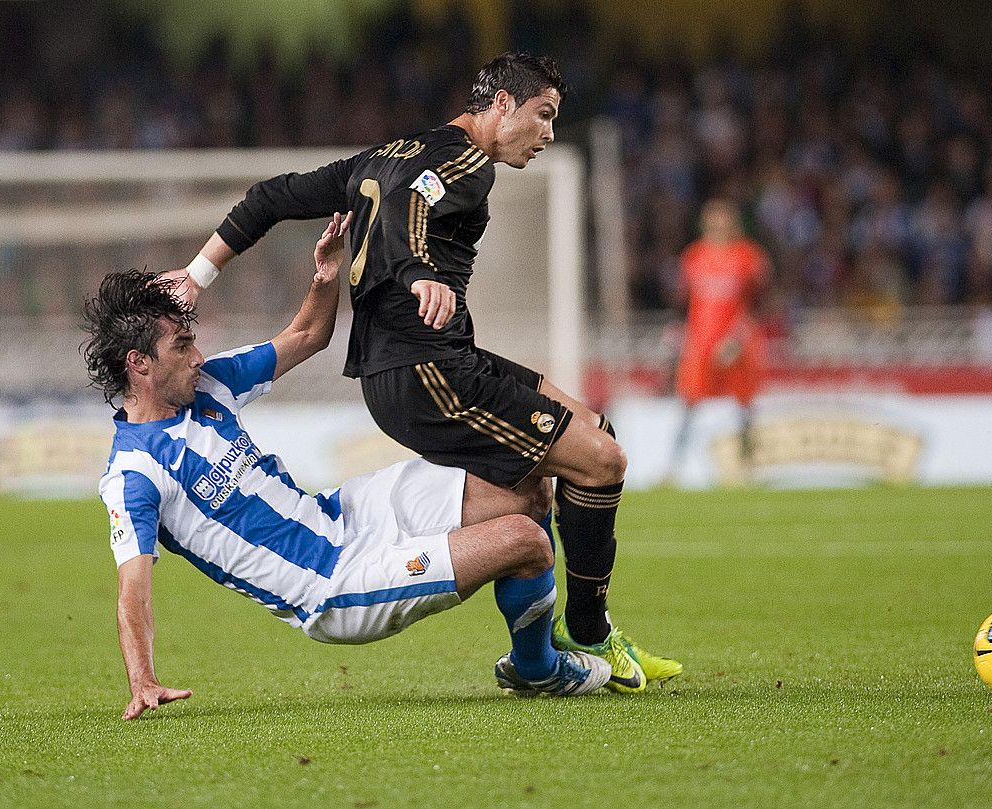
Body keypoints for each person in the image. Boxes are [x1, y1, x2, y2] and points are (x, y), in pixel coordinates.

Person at [172, 53, 679, 692]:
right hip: (426, 372)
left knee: (568, 452)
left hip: (431, 365)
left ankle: (539, 659)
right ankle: (590, 630)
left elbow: (269, 197)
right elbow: (405, 215)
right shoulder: (464, 163)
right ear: (501, 103)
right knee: (601, 462)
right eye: (544, 115)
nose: (548, 134)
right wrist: (417, 273)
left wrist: (196, 275)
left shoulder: (379, 159)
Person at [86, 213, 612, 721]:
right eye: (182, 346)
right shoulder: (134, 473)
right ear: (139, 364)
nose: (199, 355)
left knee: (527, 478)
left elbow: (307, 336)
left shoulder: (210, 384)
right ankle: (537, 667)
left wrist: (326, 275)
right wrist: (143, 680)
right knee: (527, 541)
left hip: (346, 513)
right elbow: (132, 591)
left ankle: (541, 639)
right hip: (333, 585)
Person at [667, 198, 770, 482]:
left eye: (722, 220)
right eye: (712, 220)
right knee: (689, 404)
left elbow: (759, 304)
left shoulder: (749, 256)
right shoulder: (693, 257)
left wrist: (737, 337)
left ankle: (749, 467)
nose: (717, 226)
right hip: (701, 343)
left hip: (736, 344)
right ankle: (674, 467)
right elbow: (684, 303)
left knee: (745, 405)